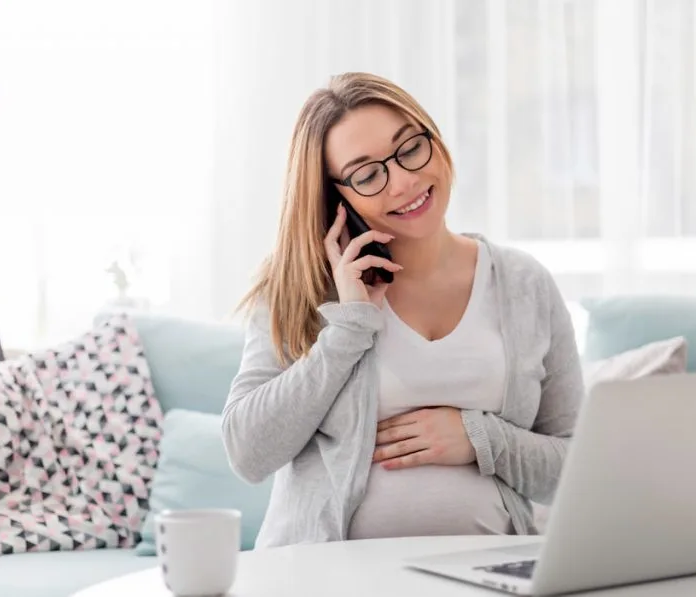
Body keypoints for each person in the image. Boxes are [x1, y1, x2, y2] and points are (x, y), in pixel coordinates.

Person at [221, 72, 585, 548]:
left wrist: (480, 439)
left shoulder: (523, 283)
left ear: (433, 138)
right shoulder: (300, 286)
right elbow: (248, 452)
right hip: (325, 578)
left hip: (485, 574)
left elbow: (577, 468)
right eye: (368, 174)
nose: (405, 182)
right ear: (337, 199)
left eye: (410, 148)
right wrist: (347, 329)